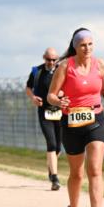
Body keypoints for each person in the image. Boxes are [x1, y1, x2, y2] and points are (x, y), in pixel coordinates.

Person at [48, 28, 104, 207]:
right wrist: (59, 101)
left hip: (96, 121)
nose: (88, 48)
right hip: (71, 123)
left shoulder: (100, 65)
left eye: (91, 44)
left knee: (94, 169)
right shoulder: (65, 66)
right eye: (83, 45)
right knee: (77, 173)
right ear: (75, 47)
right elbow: (51, 96)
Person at [26, 47, 64, 190]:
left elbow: (69, 86)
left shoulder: (62, 69)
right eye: (49, 59)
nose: (51, 62)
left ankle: (51, 167)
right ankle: (54, 177)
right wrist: (33, 98)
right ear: (44, 58)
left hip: (60, 112)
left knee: (58, 147)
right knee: (51, 143)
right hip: (44, 112)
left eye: (54, 59)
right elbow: (28, 88)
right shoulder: (37, 71)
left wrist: (62, 93)